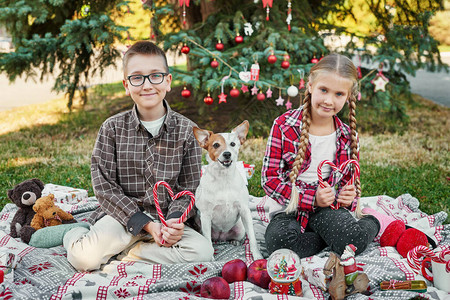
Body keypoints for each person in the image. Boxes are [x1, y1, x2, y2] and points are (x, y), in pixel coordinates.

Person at [63, 41, 214, 271]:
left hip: (166, 221)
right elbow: (104, 187)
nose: (147, 85)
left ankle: (129, 254)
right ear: (126, 84)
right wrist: (145, 225)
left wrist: (174, 221)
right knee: (84, 259)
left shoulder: (187, 131)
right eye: (137, 77)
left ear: (168, 81)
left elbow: (189, 187)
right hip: (123, 217)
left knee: (203, 252)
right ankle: (74, 234)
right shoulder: (111, 129)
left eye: (155, 76)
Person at [262, 53, 389, 259]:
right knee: (280, 244)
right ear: (310, 86)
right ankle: (327, 238)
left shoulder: (348, 136)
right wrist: (312, 199)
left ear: (348, 96)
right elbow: (270, 180)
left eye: (339, 94)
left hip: (328, 208)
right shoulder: (284, 126)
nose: (329, 100)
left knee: (352, 242)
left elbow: (349, 183)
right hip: (289, 206)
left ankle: (373, 221)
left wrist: (348, 198)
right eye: (323, 90)